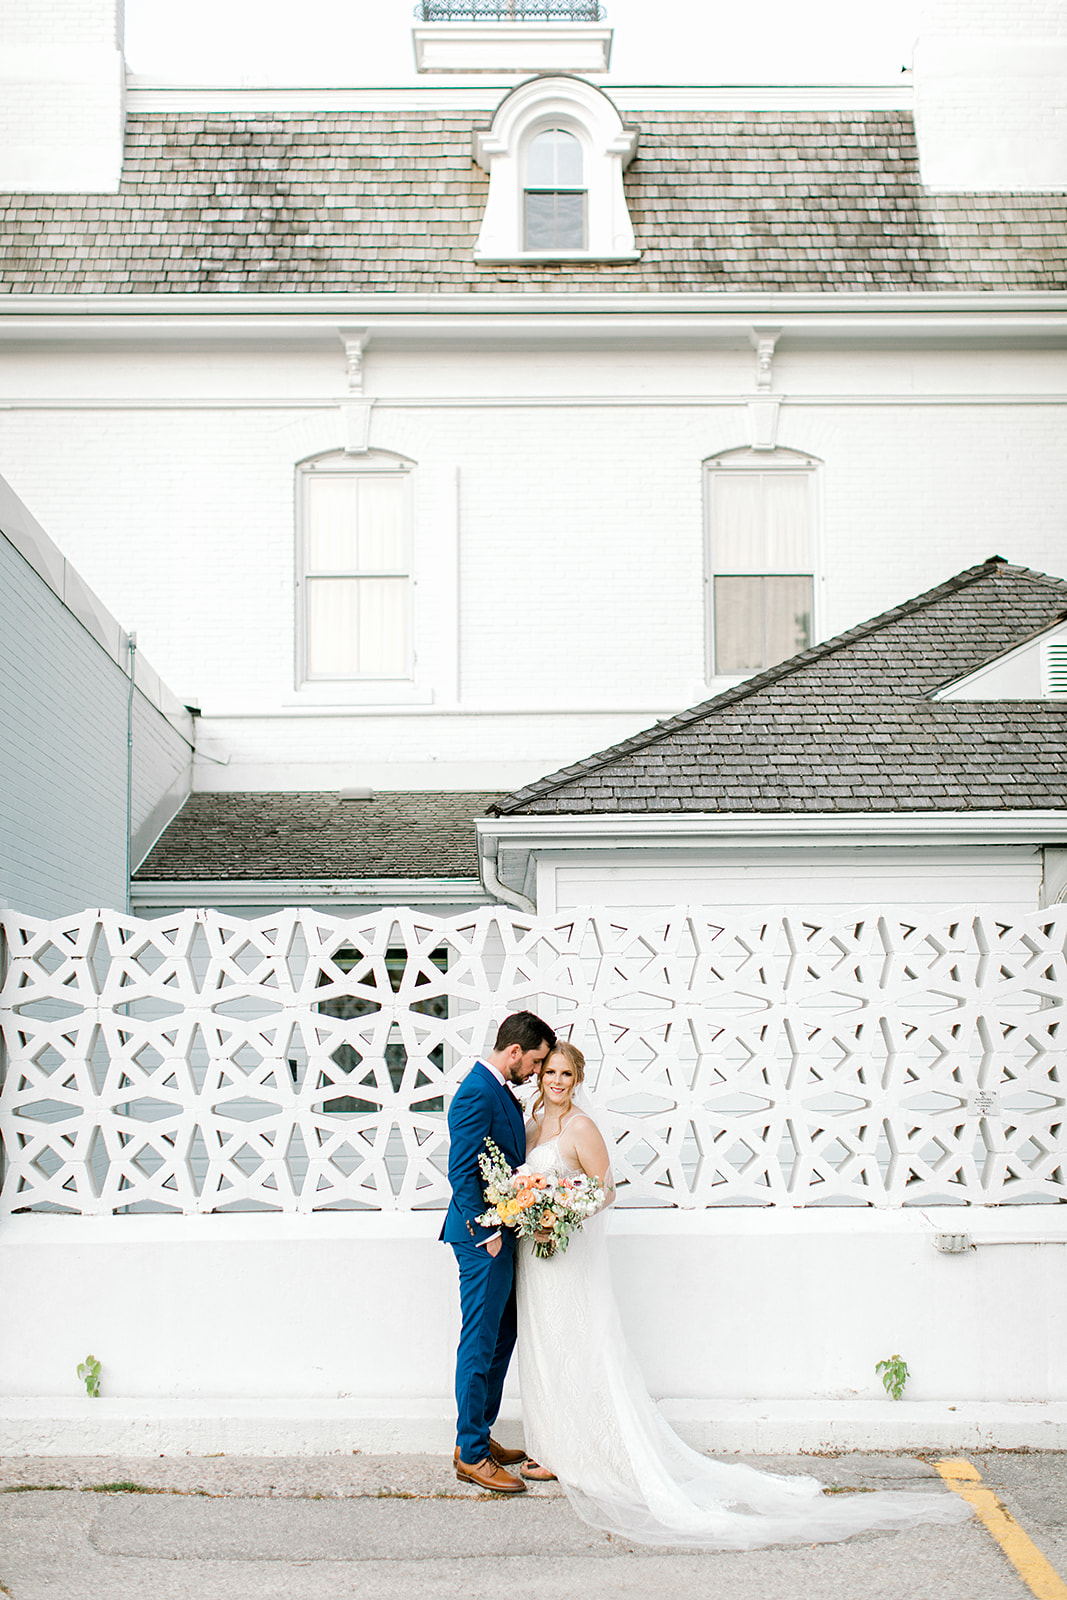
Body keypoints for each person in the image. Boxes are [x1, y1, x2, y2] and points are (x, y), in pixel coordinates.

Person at [515, 1040, 974, 1550]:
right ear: (540, 1076)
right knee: (544, 1346)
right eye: (550, 1072)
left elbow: (605, 1190)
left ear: (577, 1079)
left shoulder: (581, 1127)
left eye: (566, 1074)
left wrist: (561, 1214)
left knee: (578, 1345)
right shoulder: (534, 1125)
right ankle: (550, 1447)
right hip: (535, 1257)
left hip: (568, 1253)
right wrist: (529, 1210)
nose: (557, 1081)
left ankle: (581, 1450)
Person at [441, 1010, 556, 1494]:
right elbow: (461, 1170)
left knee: (501, 1337)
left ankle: (479, 1435)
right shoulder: (476, 1092)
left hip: (503, 1232)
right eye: (535, 1062)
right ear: (514, 1051)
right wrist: (484, 1230)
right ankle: (470, 1453)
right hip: (481, 1239)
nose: (536, 1071)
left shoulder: (500, 1089)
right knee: (479, 1341)